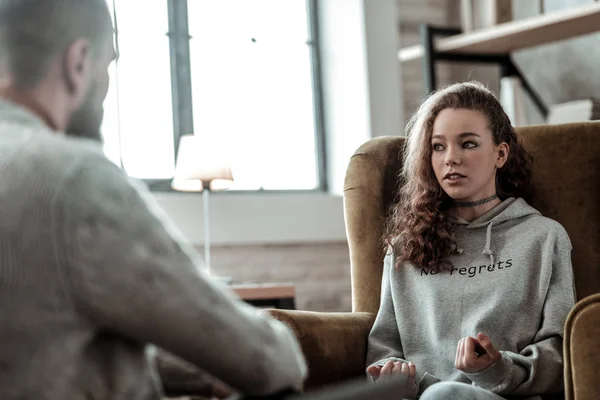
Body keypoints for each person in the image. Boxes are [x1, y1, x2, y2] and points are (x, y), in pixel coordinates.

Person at [0, 0, 308, 398]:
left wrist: (192, 374)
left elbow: (48, 337)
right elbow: (270, 360)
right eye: (108, 66)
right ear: (77, 63)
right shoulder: (72, 179)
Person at [365, 81, 576, 400]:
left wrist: (498, 368)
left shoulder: (544, 237)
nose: (451, 158)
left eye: (468, 144)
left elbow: (564, 353)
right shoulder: (403, 247)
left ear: (500, 154)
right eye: (438, 146)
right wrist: (395, 377)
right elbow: (383, 351)